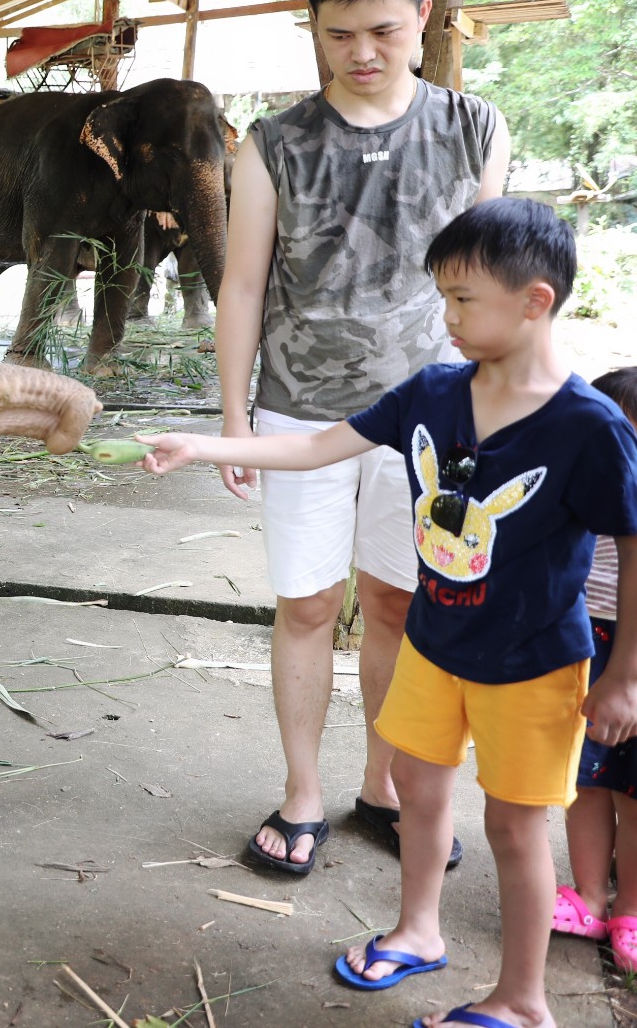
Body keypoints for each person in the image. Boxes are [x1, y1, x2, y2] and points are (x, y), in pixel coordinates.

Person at [143, 199, 637, 1028]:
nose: (445, 318)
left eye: (463, 299)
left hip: (534, 662)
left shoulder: (588, 426)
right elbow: (312, 446)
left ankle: (523, 999)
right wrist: (207, 444)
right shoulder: (435, 393)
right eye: (441, 295)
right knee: (414, 783)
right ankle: (417, 928)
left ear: (535, 300)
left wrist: (624, 673)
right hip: (434, 644)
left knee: (515, 826)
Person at [216, 0, 511, 874]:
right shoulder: (273, 145)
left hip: (433, 416)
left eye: (383, 30)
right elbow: (244, 288)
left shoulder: (474, 131)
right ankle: (302, 792)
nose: (363, 53)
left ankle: (383, 787)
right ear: (315, 28)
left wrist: (497, 405)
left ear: (423, 17)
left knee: (396, 600)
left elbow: (490, 286)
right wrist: (233, 421)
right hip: (302, 406)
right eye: (339, 34)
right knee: (307, 604)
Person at [552, 367, 637, 969]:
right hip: (581, 641)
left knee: (633, 792)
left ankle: (630, 910)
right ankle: (587, 896)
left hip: (631, 656)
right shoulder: (576, 495)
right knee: (583, 777)